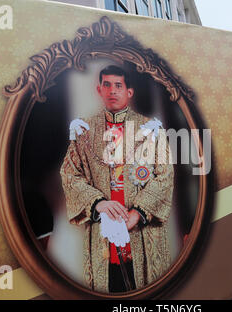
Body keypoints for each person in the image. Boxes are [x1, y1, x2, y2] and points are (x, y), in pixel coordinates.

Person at [60, 65, 174, 293]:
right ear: (99, 89)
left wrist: (138, 213)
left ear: (129, 92)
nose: (112, 90)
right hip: (103, 232)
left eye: (118, 85)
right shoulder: (84, 130)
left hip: (142, 232)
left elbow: (166, 175)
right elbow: (69, 174)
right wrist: (98, 203)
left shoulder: (151, 129)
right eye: (107, 85)